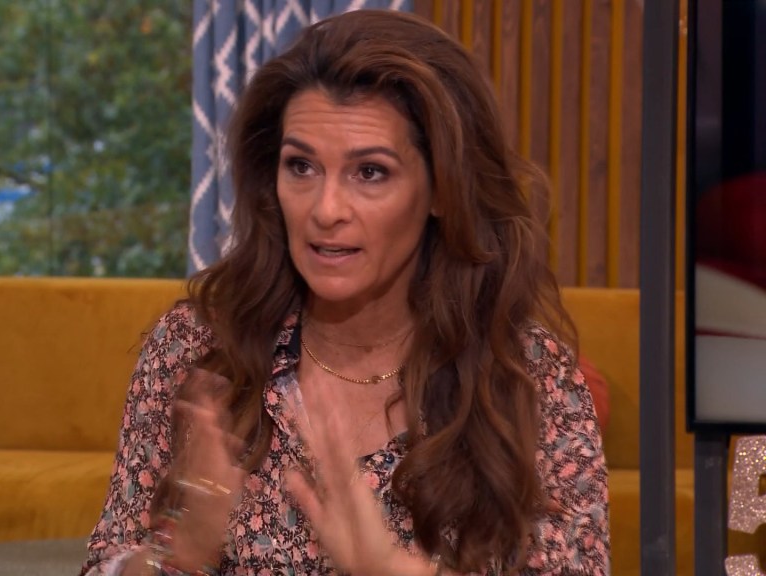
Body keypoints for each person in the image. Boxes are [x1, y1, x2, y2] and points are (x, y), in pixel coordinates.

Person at [81, 9, 608, 576]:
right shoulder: (198, 347)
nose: (326, 209)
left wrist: (391, 570)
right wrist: (180, 554)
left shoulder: (528, 374)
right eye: (301, 166)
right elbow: (108, 560)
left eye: (370, 172)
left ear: (442, 190)